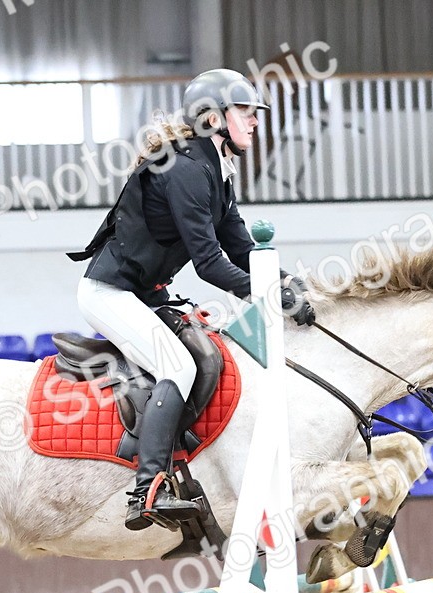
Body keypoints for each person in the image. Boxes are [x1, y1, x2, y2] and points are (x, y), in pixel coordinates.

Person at [68, 68, 317, 532]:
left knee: (205, 357)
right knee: (177, 367)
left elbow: (242, 247)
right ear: (212, 118)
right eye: (245, 112)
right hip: (109, 293)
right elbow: (209, 263)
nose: (255, 121)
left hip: (144, 293)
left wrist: (292, 284)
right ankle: (147, 487)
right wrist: (269, 296)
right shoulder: (185, 169)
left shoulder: (215, 170)